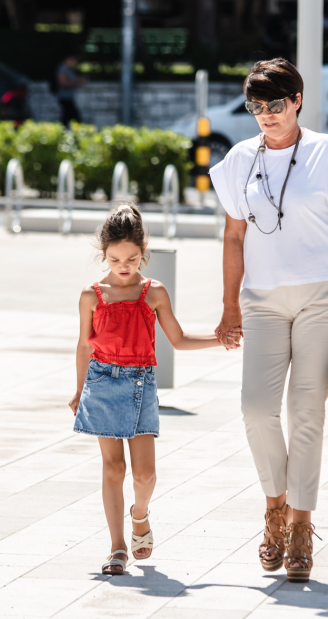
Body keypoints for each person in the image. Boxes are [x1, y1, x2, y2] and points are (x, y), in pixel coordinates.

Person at [209, 58, 328, 584]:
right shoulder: (238, 160)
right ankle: (274, 508)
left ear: (297, 100)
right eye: (256, 107)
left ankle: (300, 526)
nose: (265, 115)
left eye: (275, 105)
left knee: (306, 409)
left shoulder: (326, 154)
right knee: (256, 409)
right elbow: (234, 238)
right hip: (260, 301)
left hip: (324, 296)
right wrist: (230, 306)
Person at [71, 204, 238, 576]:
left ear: (144, 251)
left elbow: (177, 340)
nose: (124, 265)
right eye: (115, 259)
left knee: (144, 475)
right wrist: (79, 390)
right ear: (104, 255)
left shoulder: (154, 292)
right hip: (100, 382)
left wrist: (219, 338)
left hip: (140, 385)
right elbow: (84, 346)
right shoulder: (91, 295)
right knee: (113, 468)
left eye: (131, 257)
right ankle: (117, 548)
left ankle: (139, 515)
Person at [56, 54, 85, 125]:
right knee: (74, 117)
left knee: (67, 117)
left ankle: (62, 131)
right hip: (64, 97)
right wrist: (76, 81)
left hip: (68, 97)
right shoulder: (63, 68)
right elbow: (63, 83)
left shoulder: (69, 69)